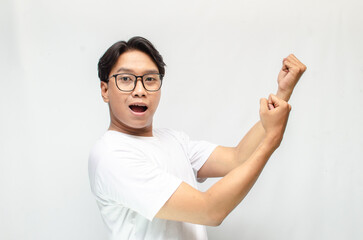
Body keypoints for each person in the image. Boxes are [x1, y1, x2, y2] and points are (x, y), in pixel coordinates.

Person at [88, 36, 306, 240]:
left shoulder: (173, 140)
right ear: (105, 89)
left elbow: (238, 159)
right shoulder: (112, 155)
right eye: (126, 79)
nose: (140, 90)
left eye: (150, 79)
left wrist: (281, 93)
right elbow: (210, 211)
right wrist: (271, 141)